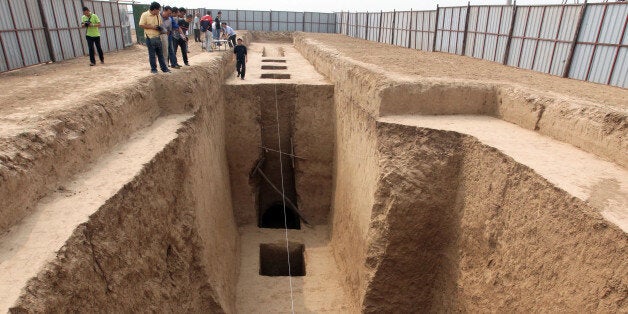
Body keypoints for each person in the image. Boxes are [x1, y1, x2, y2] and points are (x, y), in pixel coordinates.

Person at [138, 2, 169, 73]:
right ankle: (154, 69)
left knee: (160, 54)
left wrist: (160, 29)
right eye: (158, 10)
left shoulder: (158, 16)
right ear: (154, 9)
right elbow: (141, 25)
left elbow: (160, 24)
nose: (159, 11)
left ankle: (164, 68)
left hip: (158, 37)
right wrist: (152, 27)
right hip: (149, 38)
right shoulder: (145, 15)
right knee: (152, 55)